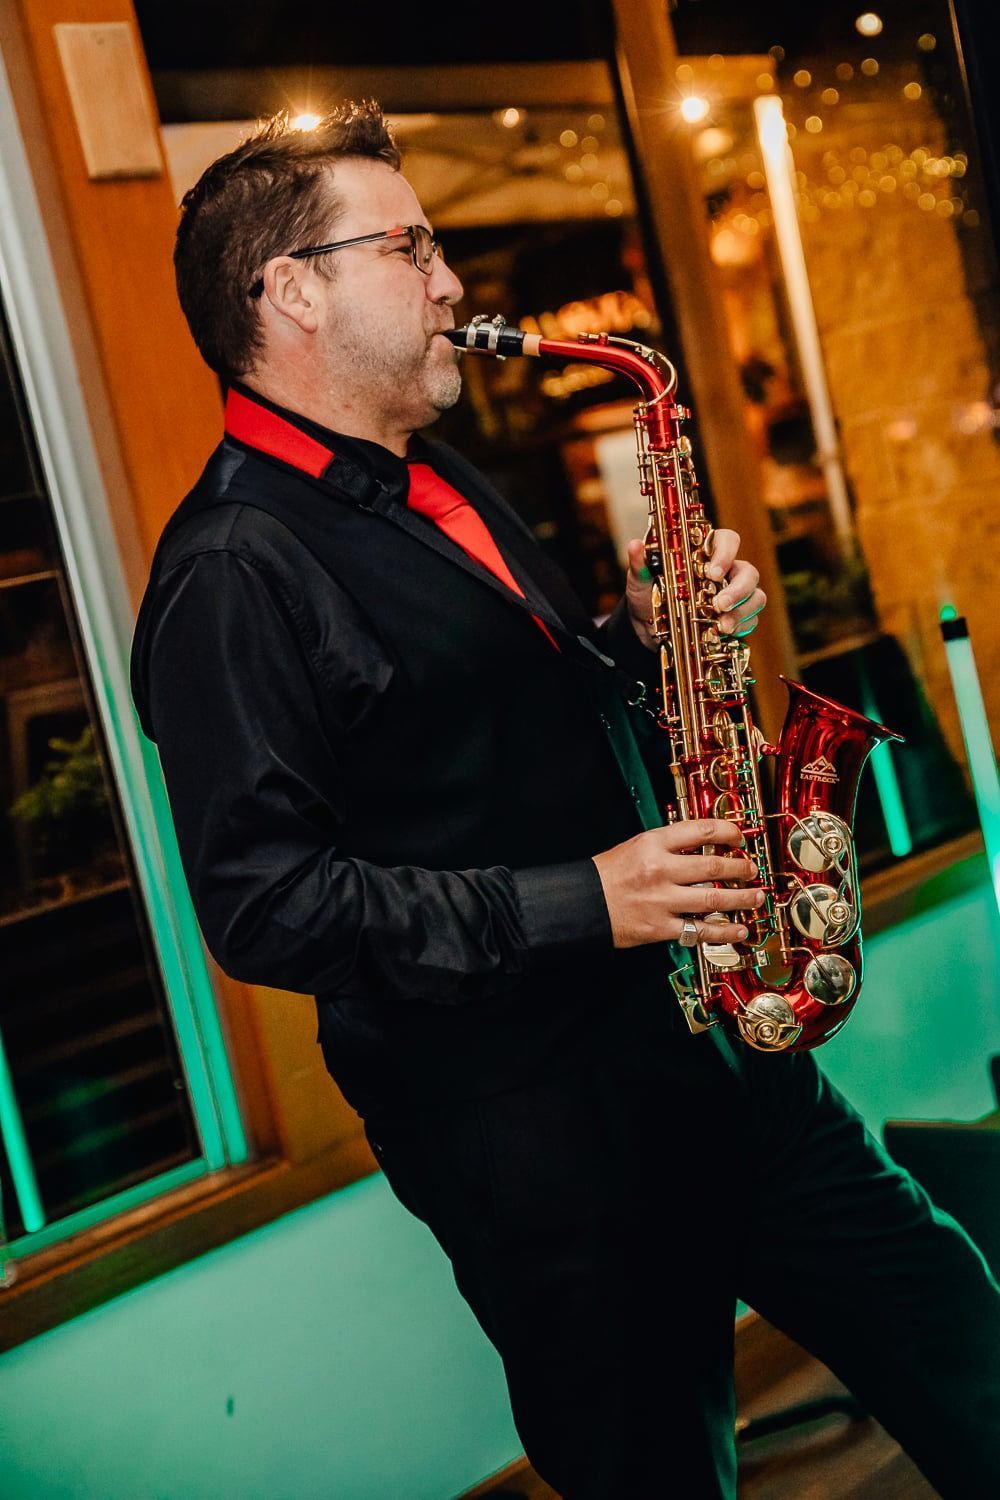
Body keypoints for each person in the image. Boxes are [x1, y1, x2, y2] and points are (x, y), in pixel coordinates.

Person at [130, 103, 1000, 1498]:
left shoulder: (438, 482)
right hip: (536, 1141)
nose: (452, 280)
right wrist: (590, 899)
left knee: (966, 1343)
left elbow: (499, 724)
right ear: (289, 291)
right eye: (407, 246)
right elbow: (265, 907)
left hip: (714, 1052)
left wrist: (653, 638)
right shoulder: (231, 571)